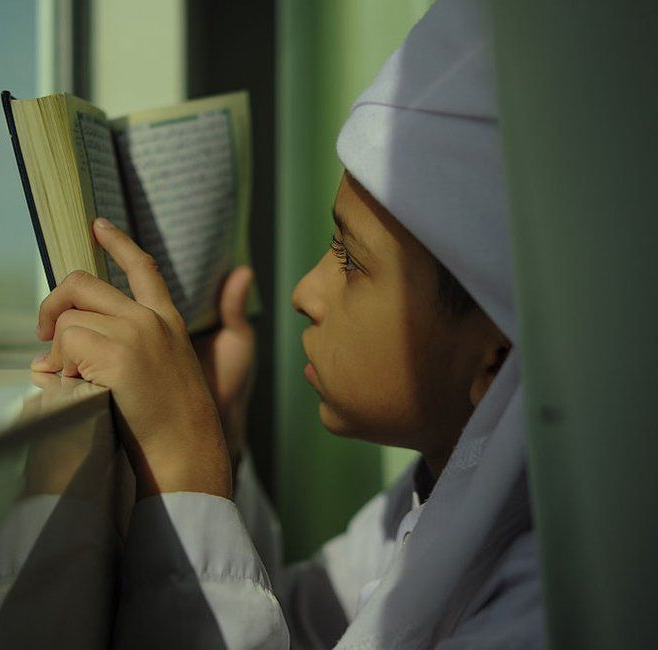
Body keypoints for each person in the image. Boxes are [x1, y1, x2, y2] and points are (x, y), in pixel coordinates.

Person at [30, 0, 544, 646]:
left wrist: (183, 468)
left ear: (492, 358)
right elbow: (296, 620)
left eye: (351, 262)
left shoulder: (538, 615)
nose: (305, 292)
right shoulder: (429, 507)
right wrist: (214, 426)